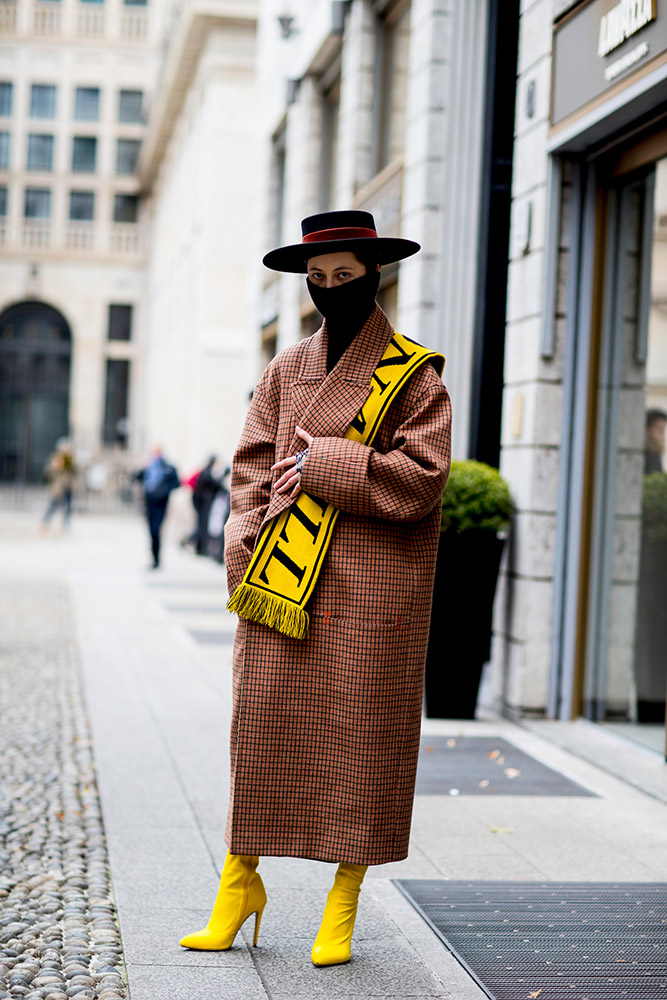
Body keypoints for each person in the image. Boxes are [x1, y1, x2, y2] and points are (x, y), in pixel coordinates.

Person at [179, 210, 452, 965]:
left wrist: (328, 465)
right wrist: (245, 541)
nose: (331, 290)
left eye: (345, 277)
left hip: (368, 593)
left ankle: (345, 896)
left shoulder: (413, 373)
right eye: (318, 280)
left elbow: (425, 479)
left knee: (359, 744)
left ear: (374, 275)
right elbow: (247, 467)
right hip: (283, 586)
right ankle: (239, 883)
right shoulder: (284, 369)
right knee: (261, 733)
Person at [135, 446, 179, 569]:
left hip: (161, 504)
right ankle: (154, 558)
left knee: (156, 530)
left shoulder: (168, 468)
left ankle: (157, 559)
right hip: (149, 504)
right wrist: (142, 466)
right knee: (151, 531)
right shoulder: (148, 467)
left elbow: (176, 482)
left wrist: (163, 492)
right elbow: (136, 477)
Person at [41, 440, 77, 529]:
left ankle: (66, 524)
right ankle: (45, 521)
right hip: (58, 487)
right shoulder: (55, 458)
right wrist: (54, 466)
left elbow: (75, 471)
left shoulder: (71, 458)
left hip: (68, 486)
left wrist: (71, 462)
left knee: (68, 507)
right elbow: (47, 472)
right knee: (53, 505)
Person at [192, 456, 221, 555]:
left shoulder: (205, 472)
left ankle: (199, 547)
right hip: (203, 504)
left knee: (201, 525)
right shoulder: (206, 473)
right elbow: (216, 484)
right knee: (202, 526)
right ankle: (199, 547)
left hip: (202, 503)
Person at [644, 408, 667, 474]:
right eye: (658, 428)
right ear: (647, 429)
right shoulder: (648, 451)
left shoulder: (656, 449)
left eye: (663, 429)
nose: (661, 432)